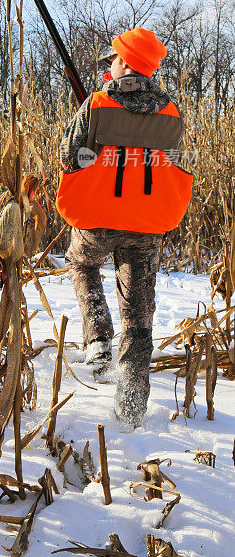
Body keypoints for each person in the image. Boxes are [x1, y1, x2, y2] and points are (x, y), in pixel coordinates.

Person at [56, 28, 192, 428]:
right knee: (139, 319)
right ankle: (131, 409)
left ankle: (97, 338)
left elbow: (68, 157)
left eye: (113, 57)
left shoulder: (98, 103)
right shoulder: (171, 111)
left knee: (81, 263)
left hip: (98, 221)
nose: (109, 63)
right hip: (147, 226)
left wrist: (93, 130)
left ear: (126, 64)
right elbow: (170, 164)